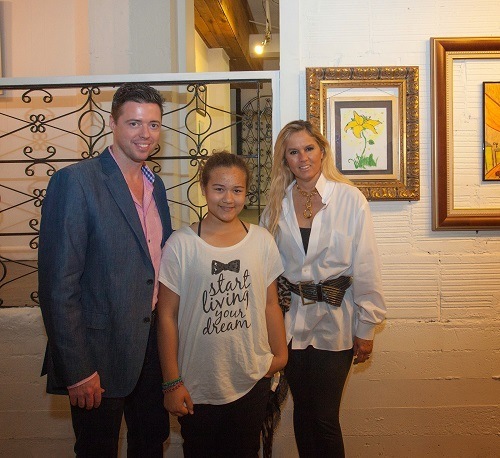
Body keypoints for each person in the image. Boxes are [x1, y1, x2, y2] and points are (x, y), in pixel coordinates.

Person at [38, 82, 172, 457]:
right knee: (97, 449)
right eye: (133, 123)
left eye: (153, 125)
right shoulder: (76, 182)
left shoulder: (156, 185)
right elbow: (57, 287)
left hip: (150, 349)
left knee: (150, 442)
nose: (145, 135)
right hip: (98, 351)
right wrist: (77, 369)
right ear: (112, 123)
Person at [261, 120, 386, 457]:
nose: (302, 157)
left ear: (322, 151)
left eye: (309, 148)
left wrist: (367, 327)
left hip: (338, 322)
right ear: (284, 159)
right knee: (303, 412)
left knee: (325, 416)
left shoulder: (350, 199)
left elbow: (366, 265)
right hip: (292, 323)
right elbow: (264, 265)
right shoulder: (277, 203)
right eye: (293, 151)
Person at [156, 151, 288, 458]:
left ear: (246, 192)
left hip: (250, 379)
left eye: (237, 190)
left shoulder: (261, 241)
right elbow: (166, 315)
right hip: (198, 385)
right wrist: (171, 382)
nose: (228, 198)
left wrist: (280, 356)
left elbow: (270, 304)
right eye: (219, 189)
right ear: (203, 189)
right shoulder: (181, 245)